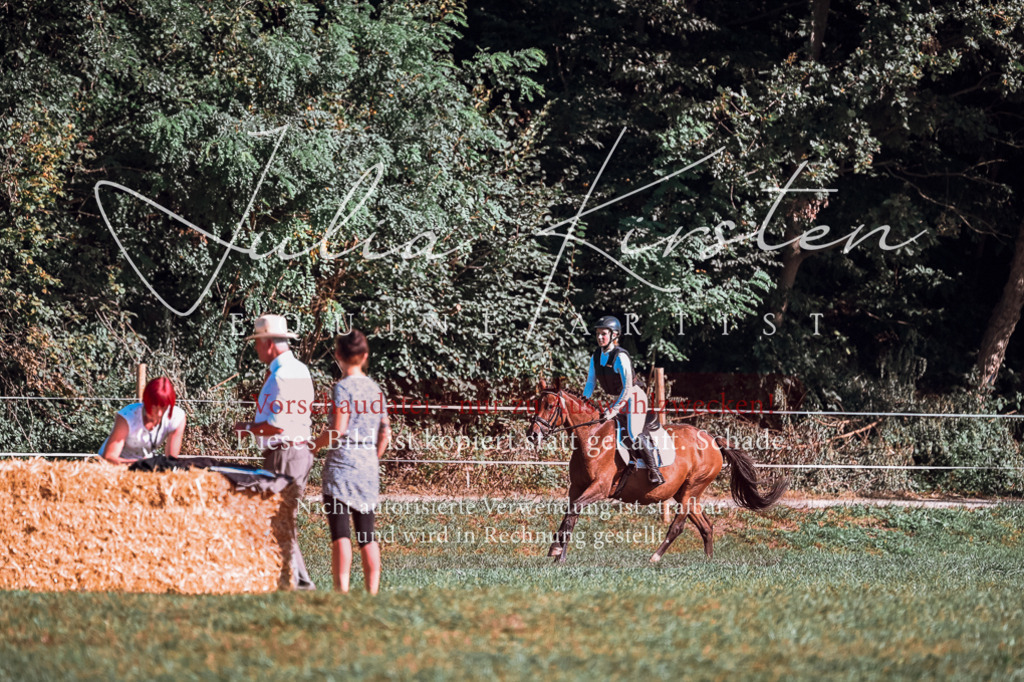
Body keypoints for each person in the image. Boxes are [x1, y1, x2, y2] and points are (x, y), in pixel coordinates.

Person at [233, 314, 316, 591]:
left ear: (268, 343)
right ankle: (294, 580)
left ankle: (298, 581)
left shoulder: (282, 375)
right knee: (281, 519)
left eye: (258, 343)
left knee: (278, 518)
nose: (256, 349)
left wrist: (247, 427)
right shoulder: (296, 370)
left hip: (285, 453)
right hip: (292, 451)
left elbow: (278, 426)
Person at [312, 329, 390, 595]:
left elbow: (338, 429)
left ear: (338, 355)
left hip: (342, 467)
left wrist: (314, 445)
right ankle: (372, 591)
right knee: (367, 534)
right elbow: (385, 434)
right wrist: (371, 459)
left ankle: (341, 590)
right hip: (368, 467)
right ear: (365, 356)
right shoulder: (376, 390)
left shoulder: (342, 388)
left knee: (341, 534)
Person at [583, 315, 664, 485]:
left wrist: (613, 410)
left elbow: (627, 388)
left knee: (633, 432)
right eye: (597, 334)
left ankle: (654, 471)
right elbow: (590, 383)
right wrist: (583, 402)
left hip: (634, 397)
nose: (599, 337)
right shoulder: (596, 356)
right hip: (618, 398)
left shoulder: (620, 357)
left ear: (614, 335)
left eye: (603, 334)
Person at [100, 377, 187, 464]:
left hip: (144, 464)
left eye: (164, 407)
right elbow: (109, 457)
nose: (159, 413)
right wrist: (140, 464)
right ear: (146, 401)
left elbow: (171, 459)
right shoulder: (127, 416)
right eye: (154, 407)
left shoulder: (177, 417)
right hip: (117, 464)